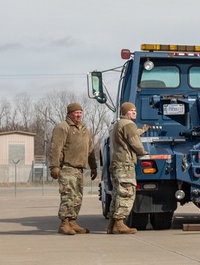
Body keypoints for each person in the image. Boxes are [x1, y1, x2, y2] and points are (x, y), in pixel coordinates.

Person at [49, 102, 97, 235]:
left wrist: (93, 166)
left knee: (77, 197)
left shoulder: (84, 128)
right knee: (68, 196)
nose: (79, 115)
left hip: (79, 169)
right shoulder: (63, 127)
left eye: (80, 112)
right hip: (67, 168)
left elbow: (90, 149)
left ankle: (72, 222)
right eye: (76, 112)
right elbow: (56, 147)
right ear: (69, 113)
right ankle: (64, 223)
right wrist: (54, 166)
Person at [107, 101, 148, 234]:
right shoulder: (129, 124)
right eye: (131, 111)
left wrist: (140, 131)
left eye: (135, 110)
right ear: (125, 112)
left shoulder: (118, 124)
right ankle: (120, 223)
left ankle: (112, 224)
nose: (134, 112)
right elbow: (134, 142)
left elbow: (129, 135)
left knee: (117, 193)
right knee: (127, 192)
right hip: (125, 163)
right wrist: (143, 152)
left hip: (116, 163)